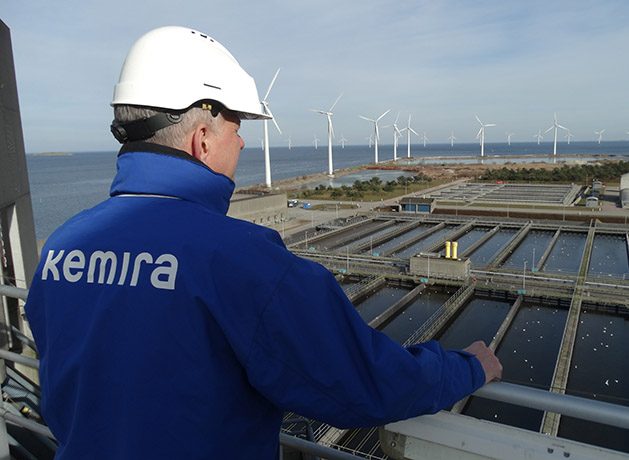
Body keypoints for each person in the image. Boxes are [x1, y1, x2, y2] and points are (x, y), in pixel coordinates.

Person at [25, 26, 501, 459]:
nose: (244, 144)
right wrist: (465, 368)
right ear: (203, 137)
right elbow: (362, 383)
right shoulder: (241, 257)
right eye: (238, 128)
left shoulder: (64, 246)